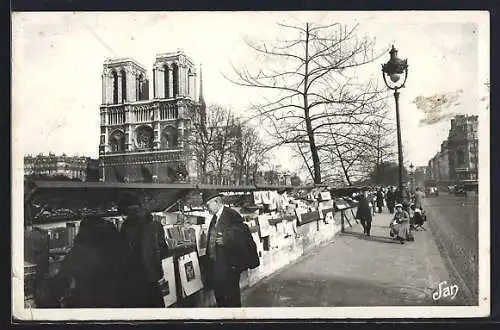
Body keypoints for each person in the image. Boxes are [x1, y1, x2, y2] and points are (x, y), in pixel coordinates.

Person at [56, 215, 127, 308]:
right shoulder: (114, 247)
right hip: (108, 298)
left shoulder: (79, 251)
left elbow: (67, 272)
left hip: (87, 299)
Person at [203, 190, 259, 307]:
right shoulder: (214, 218)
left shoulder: (232, 215)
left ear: (217, 201)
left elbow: (243, 234)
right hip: (217, 266)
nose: (206, 208)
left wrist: (227, 239)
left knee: (231, 299)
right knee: (221, 298)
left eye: (207, 205)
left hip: (229, 267)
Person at [119, 192, 165, 308]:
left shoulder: (127, 226)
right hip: (153, 277)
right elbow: (164, 250)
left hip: (136, 279)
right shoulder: (155, 224)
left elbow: (123, 253)